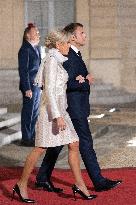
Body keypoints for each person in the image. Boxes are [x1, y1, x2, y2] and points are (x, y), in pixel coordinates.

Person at [12, 30, 97, 203]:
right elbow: (49, 90)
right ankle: (21, 184)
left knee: (74, 143)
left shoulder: (58, 59)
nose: (69, 46)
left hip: (60, 110)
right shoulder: (51, 61)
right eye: (67, 43)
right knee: (40, 149)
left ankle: (80, 185)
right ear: (58, 45)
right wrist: (57, 116)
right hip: (51, 112)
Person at [35, 23, 122, 192]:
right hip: (73, 107)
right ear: (73, 37)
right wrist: (85, 81)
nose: (85, 35)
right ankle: (98, 181)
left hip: (75, 106)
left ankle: (42, 177)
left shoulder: (74, 54)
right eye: (82, 33)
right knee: (85, 143)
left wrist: (83, 79)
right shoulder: (68, 55)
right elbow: (65, 82)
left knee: (58, 144)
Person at [18, 23, 41, 146]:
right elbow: (24, 70)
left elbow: (39, 67)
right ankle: (26, 138)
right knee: (28, 112)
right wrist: (27, 88)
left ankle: (32, 136)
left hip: (36, 85)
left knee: (35, 112)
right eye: (35, 32)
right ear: (28, 35)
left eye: (38, 32)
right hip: (29, 86)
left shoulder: (36, 48)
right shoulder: (25, 49)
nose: (38, 34)